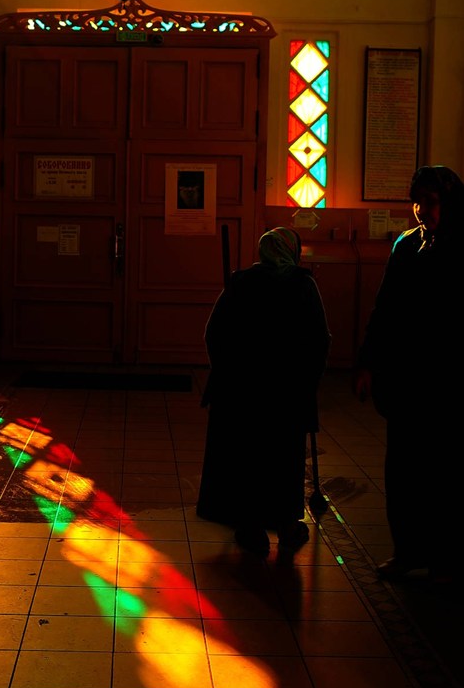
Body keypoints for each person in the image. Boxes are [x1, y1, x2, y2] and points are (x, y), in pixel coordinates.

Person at [355, 164, 464, 583]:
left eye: (430, 202)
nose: (421, 210)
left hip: (447, 381)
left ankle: (445, 560)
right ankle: (407, 551)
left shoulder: (462, 247)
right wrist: (368, 362)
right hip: (407, 379)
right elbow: (385, 308)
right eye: (416, 202)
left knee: (444, 473)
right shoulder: (406, 245)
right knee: (402, 470)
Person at [197, 226, 331, 556]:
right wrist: (309, 380)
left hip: (243, 392)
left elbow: (214, 332)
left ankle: (251, 526)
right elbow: (319, 338)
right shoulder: (303, 285)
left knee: (248, 456)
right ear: (292, 251)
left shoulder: (241, 283)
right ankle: (286, 524)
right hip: (288, 392)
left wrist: (226, 371)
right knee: (284, 458)